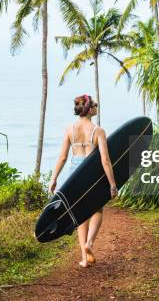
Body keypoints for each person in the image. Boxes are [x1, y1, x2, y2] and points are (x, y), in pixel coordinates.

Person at [49, 94, 118, 268]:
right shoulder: (98, 131)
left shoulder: (70, 129)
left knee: (80, 214)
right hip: (92, 171)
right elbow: (105, 160)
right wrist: (112, 184)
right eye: (94, 105)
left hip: (75, 172)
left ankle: (84, 259)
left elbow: (63, 157)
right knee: (97, 209)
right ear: (89, 109)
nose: (96, 107)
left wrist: (53, 178)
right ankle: (90, 243)